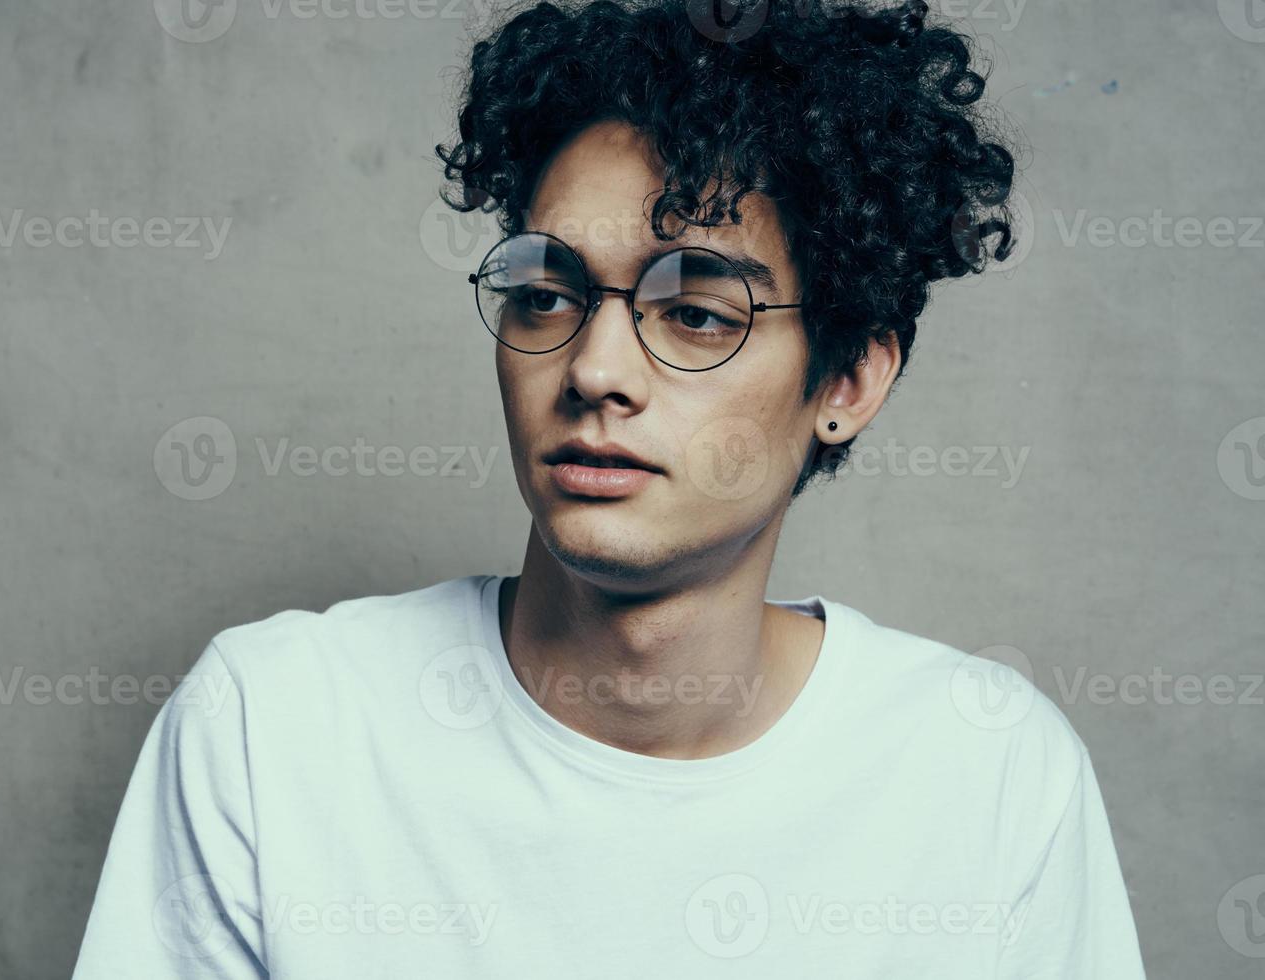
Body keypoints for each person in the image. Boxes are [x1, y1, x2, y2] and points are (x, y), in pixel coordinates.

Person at [72, 0, 1147, 975]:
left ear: (850, 378)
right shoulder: (276, 728)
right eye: (548, 292)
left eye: (696, 313)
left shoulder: (985, 770)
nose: (593, 370)